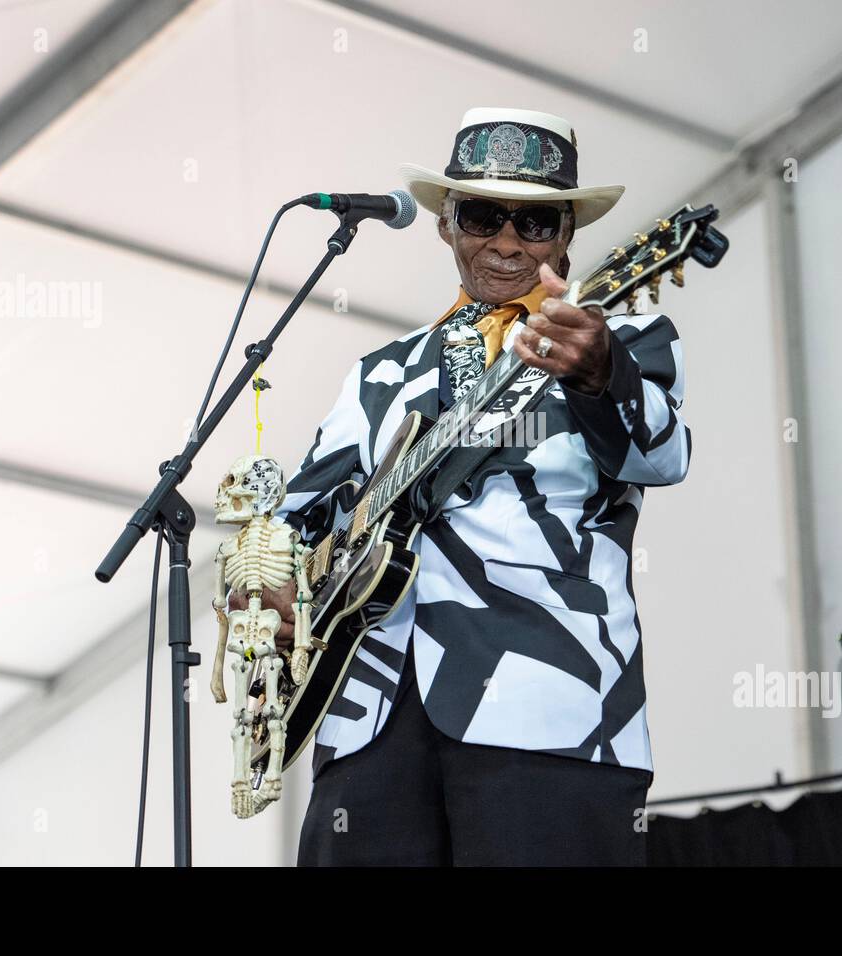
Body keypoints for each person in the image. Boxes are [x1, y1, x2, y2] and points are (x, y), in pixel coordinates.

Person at [271, 107, 692, 865]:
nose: (505, 242)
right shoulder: (379, 373)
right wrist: (268, 590)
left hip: (548, 705)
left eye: (533, 224)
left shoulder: (618, 339)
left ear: (567, 235)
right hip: (368, 721)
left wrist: (600, 376)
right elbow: (297, 518)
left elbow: (659, 456)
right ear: (444, 224)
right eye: (482, 215)